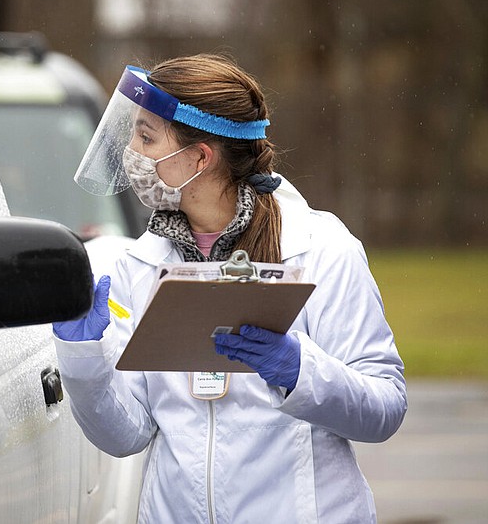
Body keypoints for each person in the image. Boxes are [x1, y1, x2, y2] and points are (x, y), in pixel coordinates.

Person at [53, 54, 407, 523]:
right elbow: (127, 436)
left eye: (146, 137)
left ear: (200, 157)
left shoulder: (322, 250)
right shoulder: (139, 264)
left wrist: (300, 370)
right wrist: (84, 362)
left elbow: (385, 408)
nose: (131, 154)